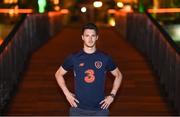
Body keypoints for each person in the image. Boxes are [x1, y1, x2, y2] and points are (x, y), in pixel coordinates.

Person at [55, 23, 123, 116]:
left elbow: (118, 75)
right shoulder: (74, 57)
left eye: (93, 36)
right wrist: (67, 93)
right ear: (82, 37)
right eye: (87, 35)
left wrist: (112, 95)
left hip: (100, 109)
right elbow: (58, 74)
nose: (90, 39)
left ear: (97, 37)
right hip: (78, 109)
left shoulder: (104, 58)